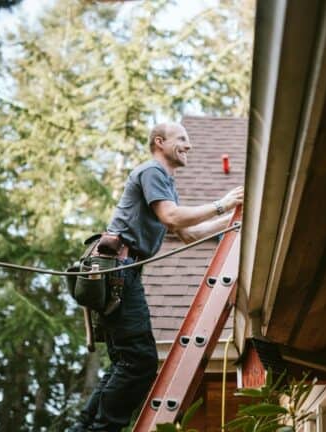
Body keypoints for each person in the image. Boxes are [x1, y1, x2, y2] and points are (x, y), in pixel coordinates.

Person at [70, 122, 244, 432]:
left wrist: (232, 220)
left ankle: (85, 428)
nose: (188, 146)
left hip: (120, 274)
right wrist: (221, 204)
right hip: (117, 272)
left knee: (127, 361)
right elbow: (172, 217)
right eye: (182, 139)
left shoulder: (164, 183)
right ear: (160, 142)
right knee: (140, 361)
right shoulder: (152, 172)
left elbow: (189, 233)